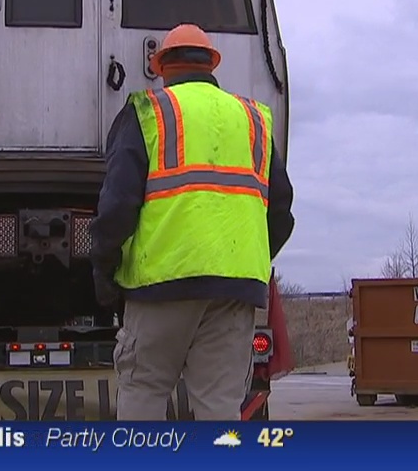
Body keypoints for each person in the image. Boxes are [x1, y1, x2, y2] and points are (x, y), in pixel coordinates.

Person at [90, 23, 295, 421]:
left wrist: (105, 272)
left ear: (162, 67)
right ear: (212, 66)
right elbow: (281, 214)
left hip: (160, 286)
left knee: (144, 389)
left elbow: (116, 207)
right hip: (234, 292)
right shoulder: (252, 119)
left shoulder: (148, 113)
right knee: (220, 409)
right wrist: (242, 262)